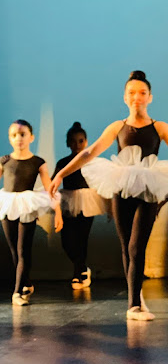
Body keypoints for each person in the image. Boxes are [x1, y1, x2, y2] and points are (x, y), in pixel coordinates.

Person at [49, 70, 168, 321]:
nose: (137, 97)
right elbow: (90, 153)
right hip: (122, 187)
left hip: (149, 187)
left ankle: (133, 306)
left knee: (136, 245)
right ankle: (136, 295)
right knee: (126, 246)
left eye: (142, 93)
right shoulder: (118, 127)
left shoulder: (160, 127)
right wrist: (60, 174)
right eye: (132, 93)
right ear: (125, 97)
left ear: (150, 97)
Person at [0, 119, 63, 305]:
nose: (18, 138)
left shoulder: (38, 162)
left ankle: (18, 292)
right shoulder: (5, 160)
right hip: (8, 204)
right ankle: (26, 282)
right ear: (9, 139)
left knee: (23, 250)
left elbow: (49, 188)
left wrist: (58, 212)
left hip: (27, 205)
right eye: (14, 135)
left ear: (31, 137)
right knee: (14, 251)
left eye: (22, 134)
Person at [53, 122, 110, 289]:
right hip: (68, 201)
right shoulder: (63, 162)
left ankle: (79, 274)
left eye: (80, 141)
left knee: (81, 239)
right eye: (73, 141)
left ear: (86, 142)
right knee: (67, 241)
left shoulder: (91, 162)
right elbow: (54, 182)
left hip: (87, 201)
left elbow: (103, 183)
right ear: (68, 143)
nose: (77, 145)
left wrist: (110, 206)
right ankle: (83, 268)